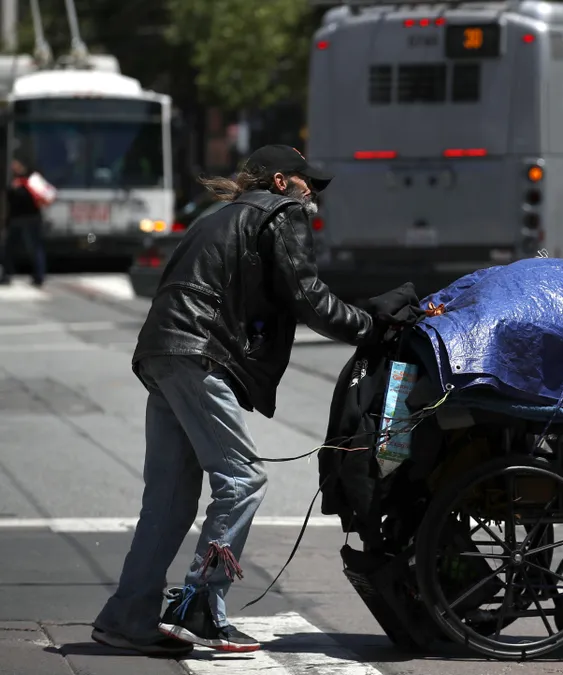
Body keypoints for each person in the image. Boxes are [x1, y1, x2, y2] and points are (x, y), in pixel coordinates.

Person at [91, 145, 418, 657]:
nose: (315, 192)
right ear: (282, 181)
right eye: (309, 181)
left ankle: (128, 616)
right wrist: (373, 327)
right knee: (242, 480)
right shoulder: (279, 212)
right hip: (199, 353)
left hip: (164, 351)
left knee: (170, 499)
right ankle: (199, 606)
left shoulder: (218, 214)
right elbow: (307, 297)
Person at [0, 156, 47, 286]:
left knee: (33, 248)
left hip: (28, 219)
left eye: (15, 164)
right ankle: (7, 275)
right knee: (8, 249)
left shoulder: (28, 181)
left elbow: (27, 199)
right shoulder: (17, 180)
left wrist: (15, 190)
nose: (13, 167)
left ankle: (38, 276)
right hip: (20, 219)